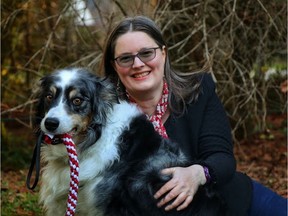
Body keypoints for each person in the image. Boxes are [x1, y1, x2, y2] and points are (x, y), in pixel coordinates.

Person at [101, 15, 287, 216]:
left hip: (229, 201)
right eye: (126, 58)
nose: (137, 64)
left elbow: (222, 158)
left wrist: (196, 174)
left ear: (163, 54)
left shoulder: (198, 92)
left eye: (147, 53)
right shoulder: (105, 117)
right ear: (114, 65)